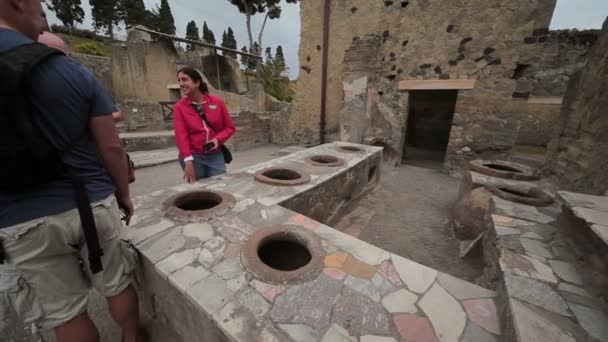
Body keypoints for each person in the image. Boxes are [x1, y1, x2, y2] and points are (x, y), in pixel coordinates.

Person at [0, 1, 142, 342]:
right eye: (38, 4)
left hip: (20, 221)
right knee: (117, 282)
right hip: (91, 202)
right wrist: (123, 195)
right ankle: (132, 338)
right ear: (15, 3)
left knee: (65, 312)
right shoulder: (70, 71)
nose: (43, 9)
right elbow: (111, 147)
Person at [173, 67, 236, 182]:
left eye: (184, 79)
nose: (181, 84)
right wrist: (188, 161)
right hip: (193, 157)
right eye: (179, 80)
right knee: (200, 192)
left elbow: (230, 127)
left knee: (221, 186)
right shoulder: (179, 107)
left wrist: (217, 140)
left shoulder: (217, 102)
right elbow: (181, 136)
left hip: (215, 155)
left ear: (196, 82)